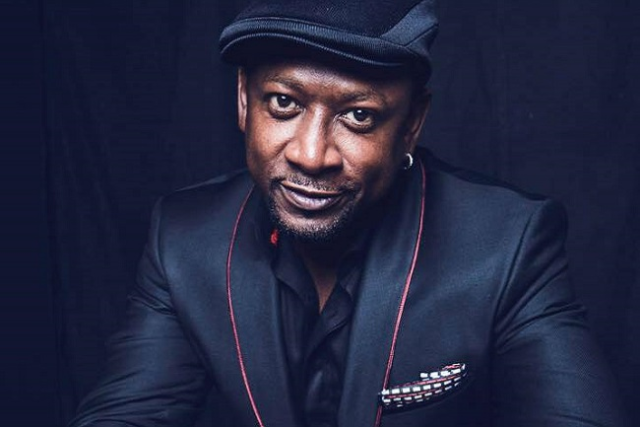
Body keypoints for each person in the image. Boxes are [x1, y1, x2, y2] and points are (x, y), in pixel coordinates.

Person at [69, 1, 627, 426]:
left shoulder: (506, 245)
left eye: (359, 116)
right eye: (283, 103)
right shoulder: (186, 239)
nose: (311, 155)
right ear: (243, 99)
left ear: (411, 124)